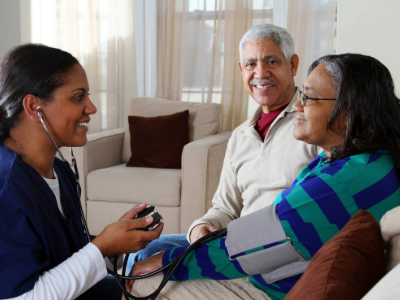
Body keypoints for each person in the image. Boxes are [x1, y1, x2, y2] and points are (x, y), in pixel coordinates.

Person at [126, 53, 400, 300]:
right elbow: (230, 211)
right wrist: (201, 228)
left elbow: (246, 247)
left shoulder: (339, 181)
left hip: (268, 282)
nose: (297, 106)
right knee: (154, 250)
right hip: (262, 252)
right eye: (249, 64)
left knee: (143, 277)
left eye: (309, 97)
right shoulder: (358, 160)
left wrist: (164, 263)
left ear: (347, 111)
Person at [126, 23, 319, 268]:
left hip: (279, 250)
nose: (260, 73)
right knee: (147, 250)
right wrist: (200, 228)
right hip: (235, 242)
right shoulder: (240, 136)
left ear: (292, 65)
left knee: (151, 261)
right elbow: (225, 208)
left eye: (271, 61)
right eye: (251, 64)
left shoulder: (314, 123)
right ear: (241, 70)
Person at [0, 44, 163, 300]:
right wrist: (102, 248)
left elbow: (68, 259)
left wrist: (116, 244)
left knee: (172, 258)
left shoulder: (60, 170)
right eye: (78, 97)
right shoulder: (6, 189)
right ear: (33, 107)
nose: (92, 108)